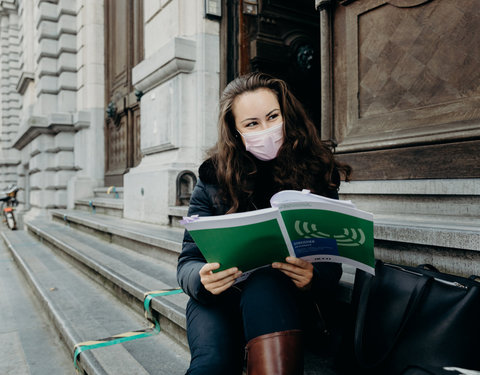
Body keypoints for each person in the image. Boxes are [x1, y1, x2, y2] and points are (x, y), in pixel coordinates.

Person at [177, 72, 352, 375]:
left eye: (272, 117)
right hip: (220, 298)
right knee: (210, 365)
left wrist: (313, 276)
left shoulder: (315, 172)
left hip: (278, 298)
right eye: (252, 124)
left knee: (266, 282)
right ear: (235, 131)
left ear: (286, 115)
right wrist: (201, 279)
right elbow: (188, 261)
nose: (266, 129)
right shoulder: (212, 179)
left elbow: (330, 258)